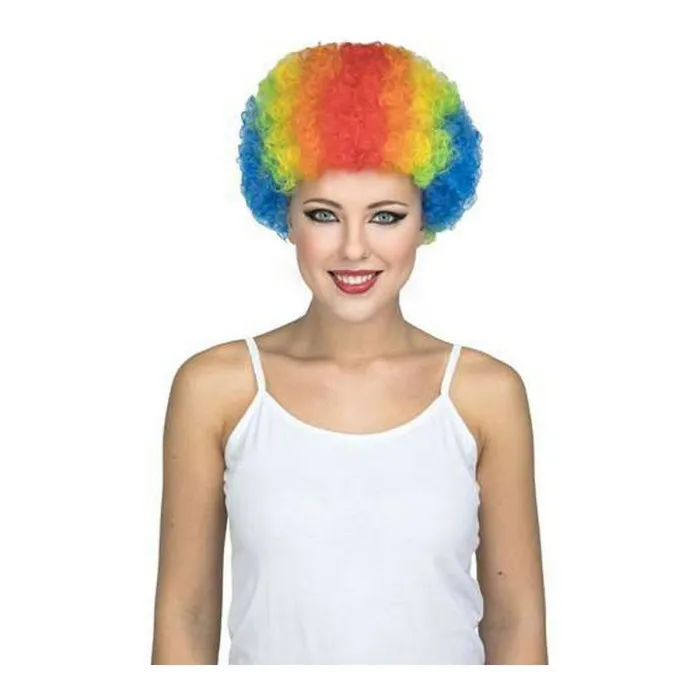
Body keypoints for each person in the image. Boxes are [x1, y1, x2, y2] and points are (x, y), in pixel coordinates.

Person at [151, 41, 548, 665]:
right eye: (324, 214)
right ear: (286, 215)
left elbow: (515, 621)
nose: (354, 248)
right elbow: (186, 613)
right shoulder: (219, 389)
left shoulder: (483, 394)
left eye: (386, 216)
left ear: (425, 218)